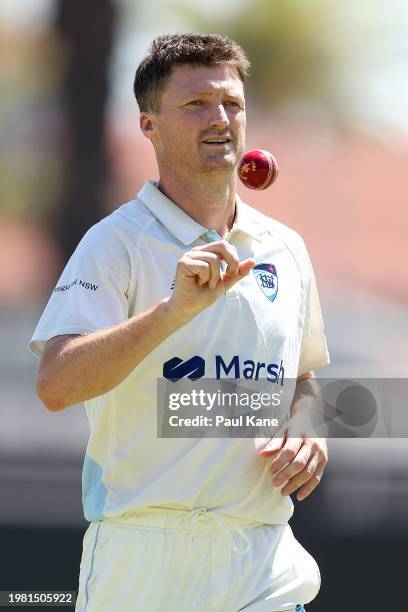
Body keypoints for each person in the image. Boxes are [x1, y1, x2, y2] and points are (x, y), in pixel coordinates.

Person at [30, 33, 330, 612]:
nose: (219, 119)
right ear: (149, 126)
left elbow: (303, 379)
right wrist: (172, 314)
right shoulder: (114, 243)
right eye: (196, 104)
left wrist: (313, 431)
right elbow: (56, 384)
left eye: (232, 104)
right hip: (142, 553)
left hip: (262, 559)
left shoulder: (285, 249)